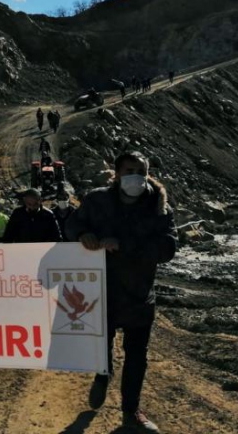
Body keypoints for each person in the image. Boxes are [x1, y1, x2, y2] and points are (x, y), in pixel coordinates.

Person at [65, 152, 176, 433]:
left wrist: (123, 245)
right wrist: (82, 235)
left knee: (137, 355)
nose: (134, 176)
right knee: (100, 346)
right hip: (100, 293)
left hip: (139, 295)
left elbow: (168, 248)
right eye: (129, 170)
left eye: (140, 170)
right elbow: (72, 225)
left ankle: (131, 412)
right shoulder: (96, 200)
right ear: (116, 172)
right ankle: (102, 376)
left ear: (148, 173)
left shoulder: (159, 206)